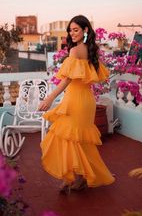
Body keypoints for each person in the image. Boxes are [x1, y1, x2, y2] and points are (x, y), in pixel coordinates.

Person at [38, 15, 115, 194]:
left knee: (69, 138)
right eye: (70, 30)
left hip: (76, 101)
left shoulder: (75, 51)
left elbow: (66, 81)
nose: (72, 34)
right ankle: (76, 178)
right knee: (79, 140)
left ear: (85, 30)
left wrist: (49, 98)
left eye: (76, 30)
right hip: (87, 101)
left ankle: (73, 177)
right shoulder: (92, 49)